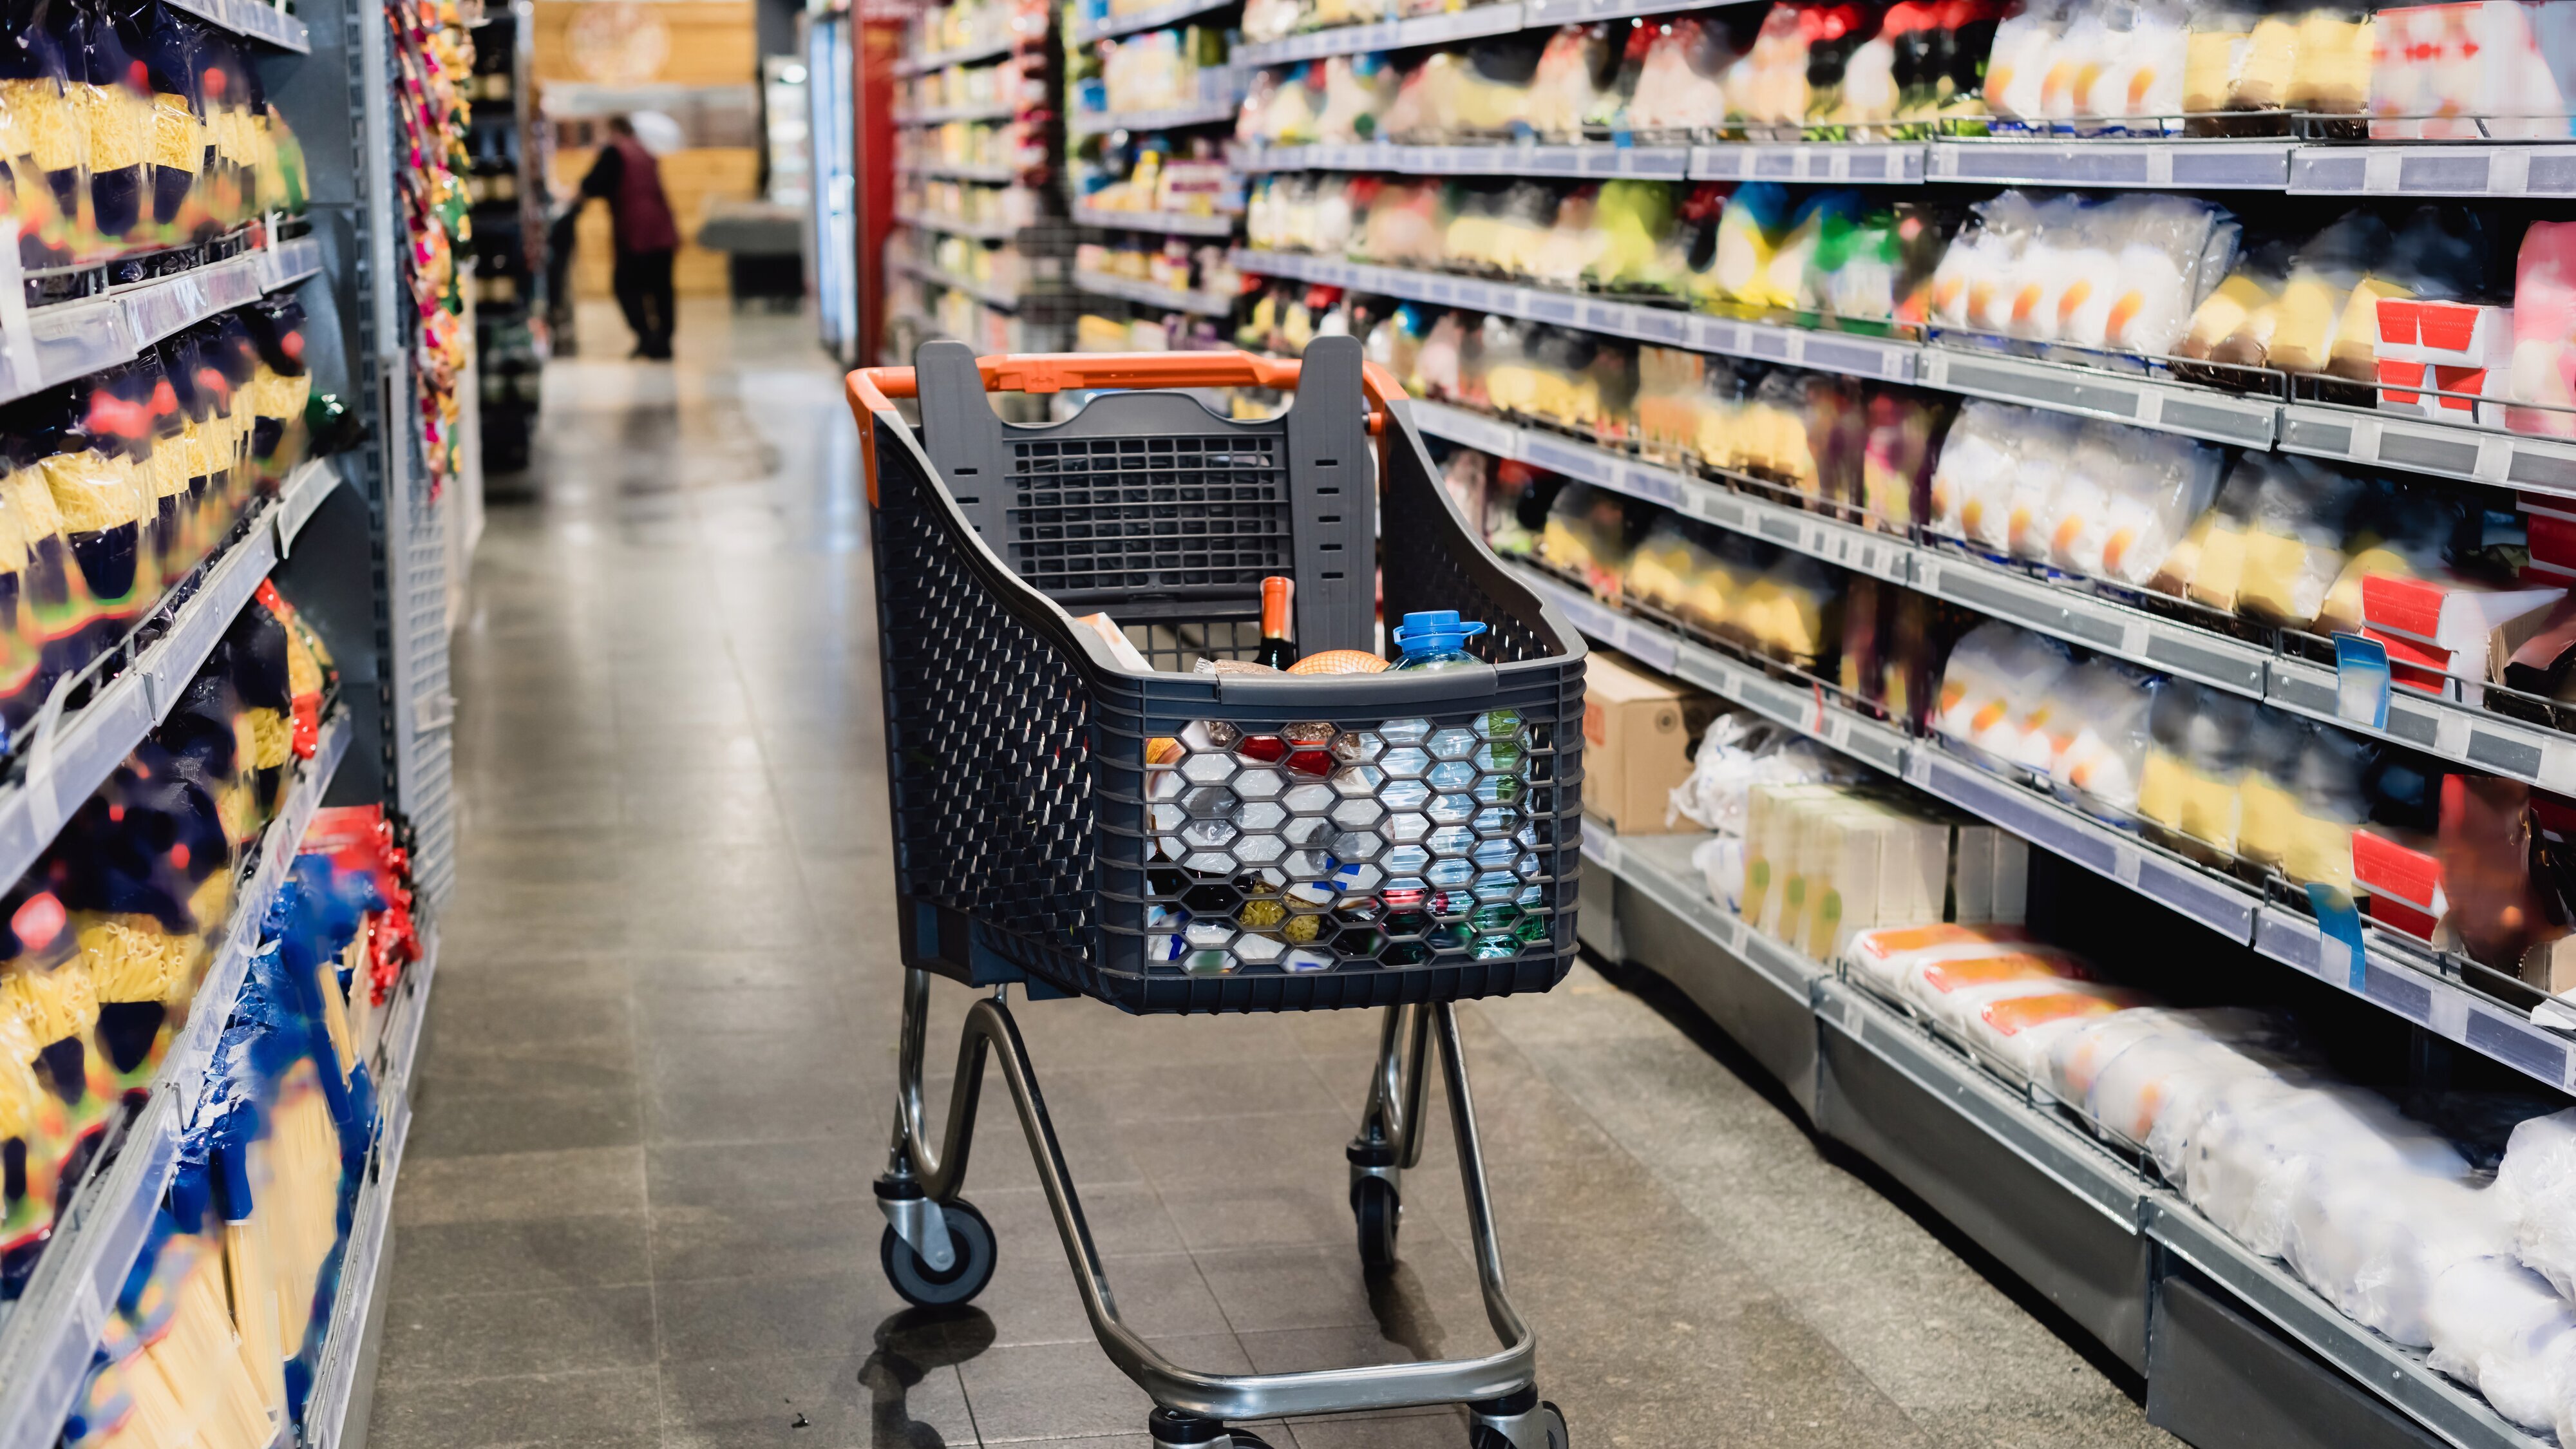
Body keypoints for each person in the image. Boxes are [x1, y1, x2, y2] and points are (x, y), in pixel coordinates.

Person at [577, 116, 681, 359]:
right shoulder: (644, 150)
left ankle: (646, 336)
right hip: (662, 226)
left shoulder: (615, 152)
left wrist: (576, 196)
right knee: (661, 288)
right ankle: (663, 341)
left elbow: (593, 185)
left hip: (635, 230)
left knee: (625, 286)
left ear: (614, 130)